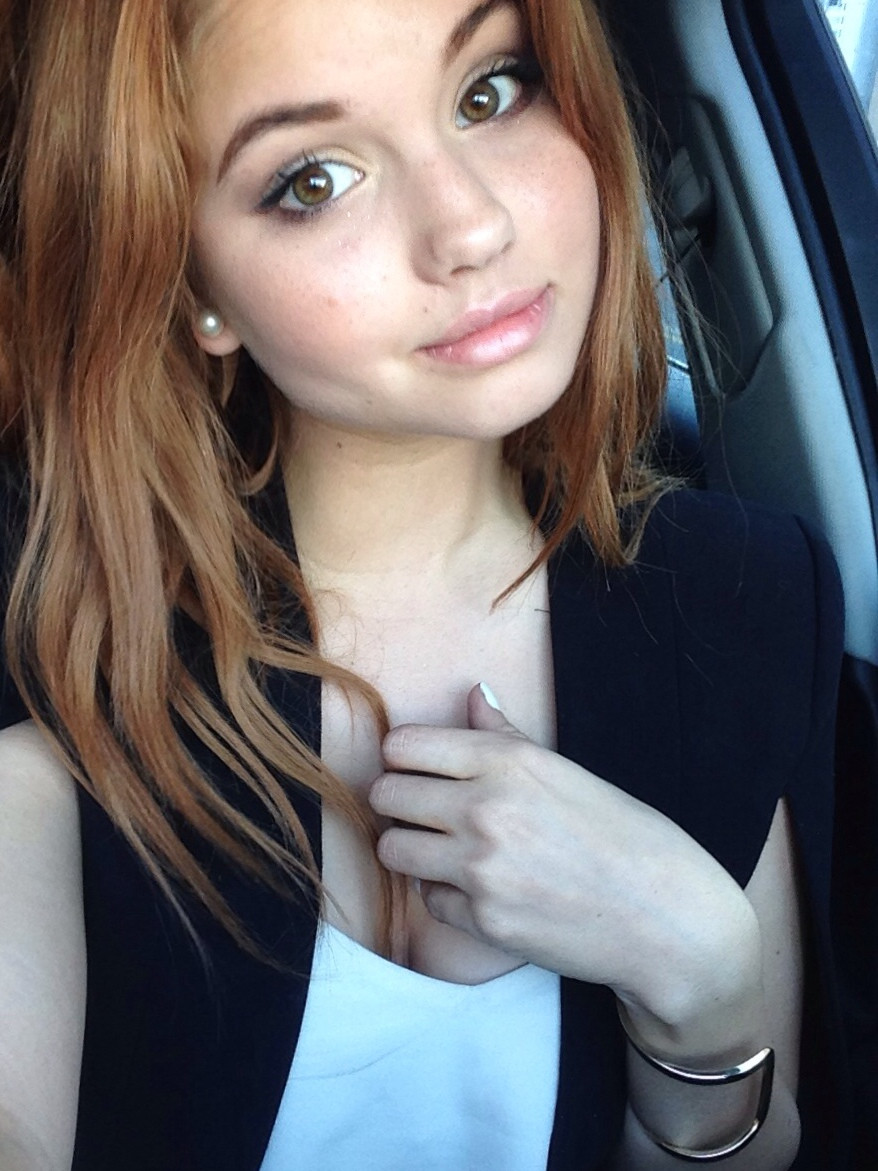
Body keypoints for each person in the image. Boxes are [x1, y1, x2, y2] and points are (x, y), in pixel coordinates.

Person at [0, 0, 850, 1168]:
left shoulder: (742, 600)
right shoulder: (54, 633)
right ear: (192, 280)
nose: (469, 226)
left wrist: (700, 981)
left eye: (488, 91)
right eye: (312, 180)